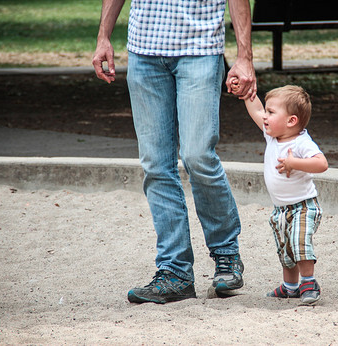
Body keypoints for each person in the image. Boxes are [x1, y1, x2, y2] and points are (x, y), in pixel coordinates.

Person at [92, 0, 257, 304]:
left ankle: (226, 255)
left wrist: (244, 57)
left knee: (197, 156)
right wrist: (104, 36)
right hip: (144, 51)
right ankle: (175, 272)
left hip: (200, 48)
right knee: (156, 165)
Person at [234, 83, 328, 305]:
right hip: (280, 210)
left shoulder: (302, 142)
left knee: (299, 243)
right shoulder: (272, 136)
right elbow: (255, 110)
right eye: (266, 111)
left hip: (303, 207)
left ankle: (309, 282)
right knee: (285, 250)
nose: (264, 116)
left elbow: (322, 164)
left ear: (291, 121)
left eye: (271, 112)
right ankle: (290, 287)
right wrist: (248, 94)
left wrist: (294, 162)